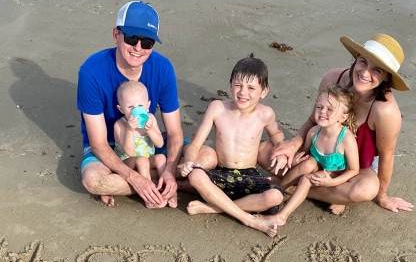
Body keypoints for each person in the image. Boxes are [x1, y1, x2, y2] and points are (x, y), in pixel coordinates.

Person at [261, 33, 414, 214]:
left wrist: (382, 197)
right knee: (263, 152)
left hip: (357, 168)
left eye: (377, 70)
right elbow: (313, 121)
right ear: (356, 58)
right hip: (318, 154)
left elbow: (387, 156)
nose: (365, 73)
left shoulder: (385, 110)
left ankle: (291, 187)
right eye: (363, 62)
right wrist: (293, 145)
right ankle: (327, 193)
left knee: (366, 190)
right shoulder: (332, 79)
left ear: (387, 77)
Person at [77, 0, 183, 208]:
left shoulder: (163, 68)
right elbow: (98, 143)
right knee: (93, 180)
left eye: (147, 42)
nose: (138, 48)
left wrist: (170, 171)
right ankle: (165, 186)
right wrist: (134, 178)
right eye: (132, 38)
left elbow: (174, 132)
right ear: (116, 35)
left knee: (205, 157)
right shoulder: (91, 72)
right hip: (109, 147)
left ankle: (161, 183)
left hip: (148, 143)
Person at [178, 55, 284, 237]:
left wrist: (282, 150)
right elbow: (196, 143)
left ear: (264, 91)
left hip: (248, 175)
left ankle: (214, 207)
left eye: (251, 88)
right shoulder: (217, 108)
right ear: (230, 85)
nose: (243, 92)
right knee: (196, 175)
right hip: (221, 175)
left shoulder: (265, 114)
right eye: (238, 85)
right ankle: (249, 219)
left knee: (275, 196)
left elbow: (276, 134)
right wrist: (188, 161)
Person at [262, 84, 359, 226]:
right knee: (308, 163)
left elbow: (354, 170)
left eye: (330, 109)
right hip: (316, 167)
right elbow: (304, 155)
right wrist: (294, 161)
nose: (322, 111)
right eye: (319, 107)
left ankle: (282, 216)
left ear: (342, 117)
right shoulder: (313, 132)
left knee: (307, 179)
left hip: (335, 175)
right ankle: (279, 190)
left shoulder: (346, 139)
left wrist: (333, 182)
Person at [112, 80, 166, 182]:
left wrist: (149, 130)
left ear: (148, 105)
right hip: (127, 162)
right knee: (142, 161)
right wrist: (130, 130)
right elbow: (130, 152)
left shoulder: (151, 118)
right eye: (130, 107)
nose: (135, 110)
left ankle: (165, 184)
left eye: (140, 106)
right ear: (121, 109)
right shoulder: (120, 125)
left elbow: (160, 144)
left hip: (148, 158)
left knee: (161, 158)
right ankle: (149, 189)